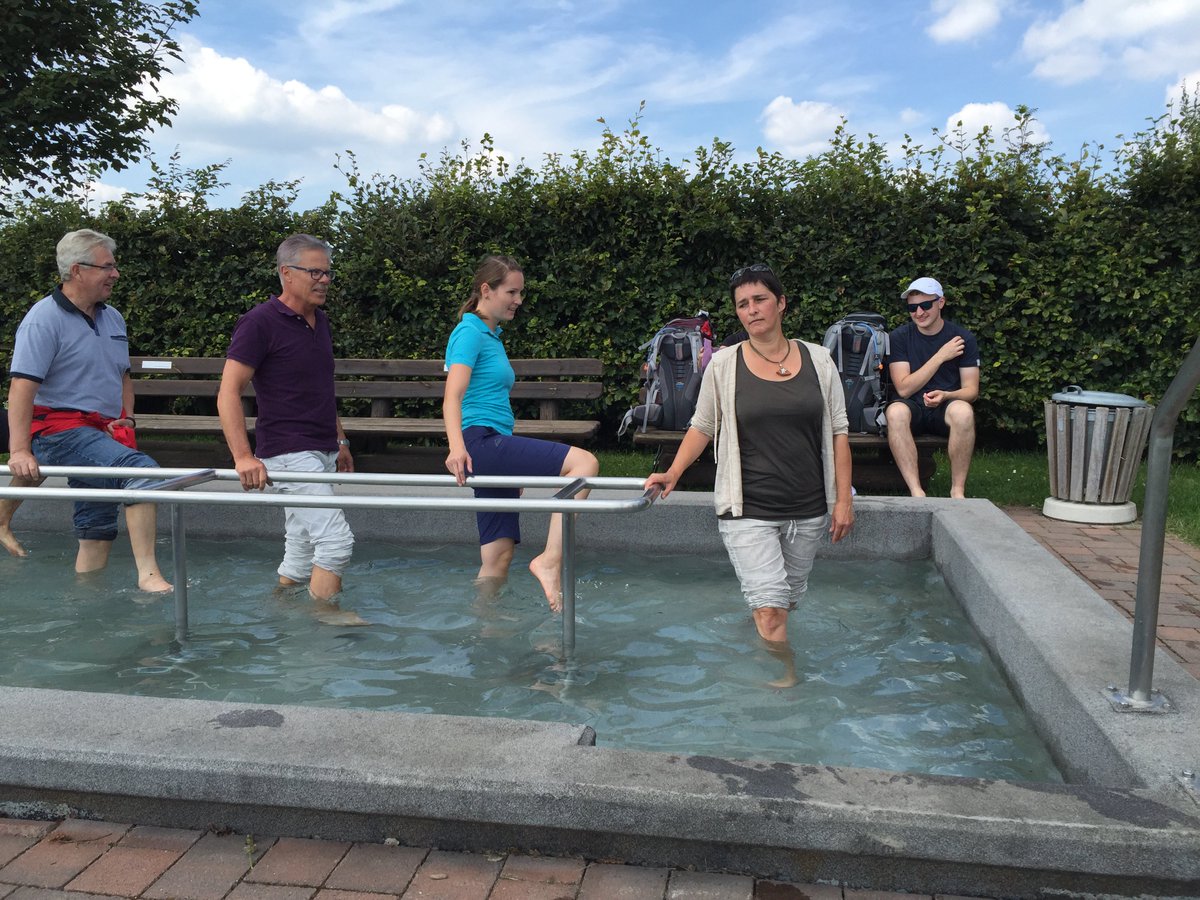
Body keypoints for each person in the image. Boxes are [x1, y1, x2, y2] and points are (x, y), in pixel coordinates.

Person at [645, 263, 854, 688]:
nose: (752, 310)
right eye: (742, 304)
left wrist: (844, 502)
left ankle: (759, 638)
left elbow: (838, 430)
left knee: (783, 603)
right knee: (772, 611)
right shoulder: (724, 364)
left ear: (780, 303)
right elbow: (702, 425)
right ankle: (786, 687)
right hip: (748, 507)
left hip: (809, 507)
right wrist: (673, 471)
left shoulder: (818, 358)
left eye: (760, 300)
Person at [1, 229, 171, 590]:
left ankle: (85, 603)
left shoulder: (113, 318)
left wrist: (126, 415)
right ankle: (149, 575)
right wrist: (19, 450)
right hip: (58, 432)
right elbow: (21, 388)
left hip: (101, 431)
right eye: (107, 266)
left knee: (97, 529)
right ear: (77, 270)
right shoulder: (42, 318)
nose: (116, 274)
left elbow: (123, 375)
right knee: (142, 471)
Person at [217, 234, 361, 625]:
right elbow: (228, 392)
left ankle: (277, 611)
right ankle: (323, 619)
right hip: (287, 450)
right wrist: (243, 456)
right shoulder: (259, 323)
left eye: (328, 272)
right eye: (315, 271)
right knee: (335, 542)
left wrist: (340, 438)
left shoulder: (320, 320)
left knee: (299, 548)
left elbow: (321, 386)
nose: (325, 279)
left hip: (322, 447)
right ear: (286, 273)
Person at [442, 255, 599, 611]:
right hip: (480, 443)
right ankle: (550, 561)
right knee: (585, 465)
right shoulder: (469, 332)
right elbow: (452, 396)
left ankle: (485, 628)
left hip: (492, 446)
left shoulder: (490, 336)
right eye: (512, 292)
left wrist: (511, 467)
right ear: (486, 290)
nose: (518, 300)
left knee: (497, 556)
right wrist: (456, 448)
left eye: (520, 293)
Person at [885, 277, 980, 499]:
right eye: (912, 307)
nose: (919, 312)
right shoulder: (899, 337)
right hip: (913, 406)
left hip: (944, 405)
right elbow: (904, 389)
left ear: (941, 303)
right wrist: (940, 357)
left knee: (963, 411)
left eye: (925, 305)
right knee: (895, 412)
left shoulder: (962, 337)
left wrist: (946, 395)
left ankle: (957, 491)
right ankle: (916, 491)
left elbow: (971, 390)